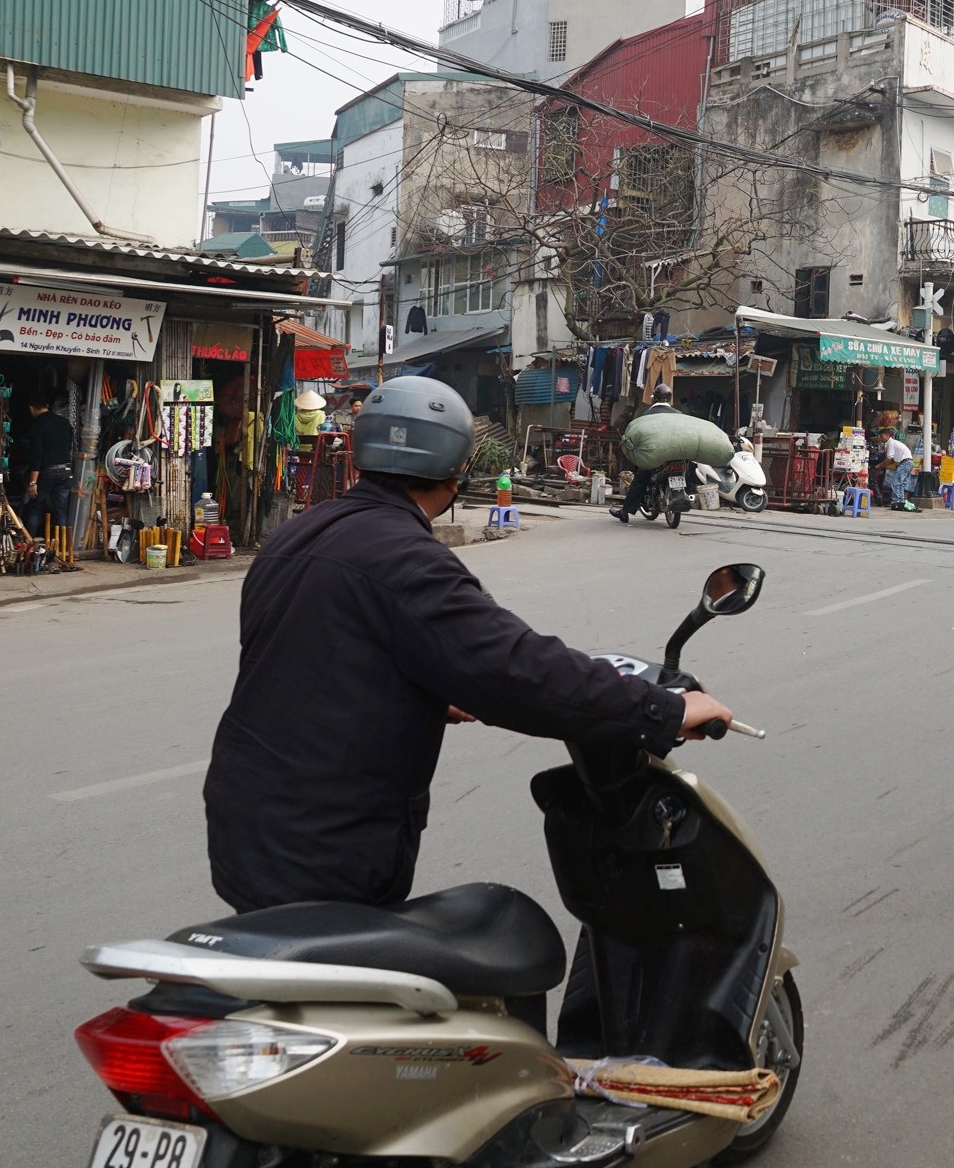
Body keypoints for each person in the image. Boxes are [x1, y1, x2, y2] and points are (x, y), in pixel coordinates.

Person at [203, 375, 732, 913]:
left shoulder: (297, 534)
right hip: (324, 849)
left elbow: (320, 660)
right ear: (457, 470)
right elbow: (517, 670)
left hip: (244, 826)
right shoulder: (409, 560)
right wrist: (663, 710)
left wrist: (423, 686)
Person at [611, 383, 679, 524]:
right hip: (676, 456)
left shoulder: (647, 415)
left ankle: (625, 512)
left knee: (640, 478)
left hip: (655, 457)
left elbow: (638, 434)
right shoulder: (679, 415)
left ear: (655, 399)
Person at [20, 397, 75, 538]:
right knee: (61, 511)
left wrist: (32, 483)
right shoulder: (64, 422)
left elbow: (36, 456)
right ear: (47, 405)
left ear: (31, 408)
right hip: (66, 470)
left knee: (35, 508)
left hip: (47, 471)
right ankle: (61, 547)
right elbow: (69, 445)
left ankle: (29, 542)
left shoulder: (37, 427)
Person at [880, 427, 916, 509]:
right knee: (901, 484)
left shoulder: (891, 443)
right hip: (908, 462)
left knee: (896, 483)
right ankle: (900, 502)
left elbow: (889, 458)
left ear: (887, 436)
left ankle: (896, 502)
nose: (881, 439)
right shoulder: (892, 443)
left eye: (882, 436)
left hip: (905, 462)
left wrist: (879, 465)